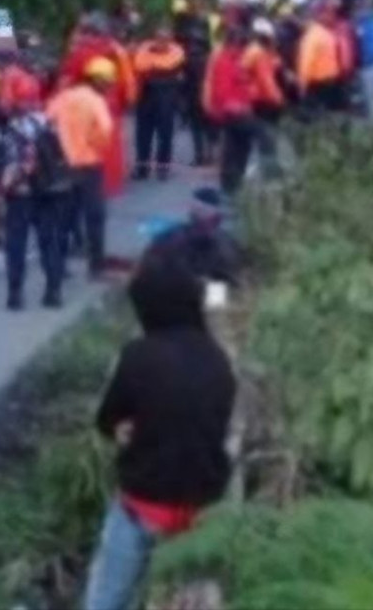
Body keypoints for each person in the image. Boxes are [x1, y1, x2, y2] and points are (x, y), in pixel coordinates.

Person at [82, 258, 235, 610]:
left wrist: (124, 428)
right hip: (203, 506)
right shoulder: (217, 359)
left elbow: (107, 419)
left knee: (107, 597)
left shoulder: (139, 355)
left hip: (145, 502)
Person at [0, 89, 68, 310]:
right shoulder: (46, 124)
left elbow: (15, 165)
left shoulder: (11, 132)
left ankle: (15, 295)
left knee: (16, 244)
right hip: (48, 191)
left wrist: (3, 188)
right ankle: (53, 292)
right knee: (49, 241)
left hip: (21, 195)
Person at [47, 59, 115, 278]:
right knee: (94, 217)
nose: (109, 87)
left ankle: (58, 267)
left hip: (63, 165)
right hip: (88, 165)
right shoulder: (96, 101)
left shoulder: (63, 97)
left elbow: (47, 122)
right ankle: (96, 267)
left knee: (63, 218)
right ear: (100, 80)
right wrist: (93, 146)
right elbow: (104, 131)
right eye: (108, 83)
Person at [57, 14, 137, 197]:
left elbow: (67, 79)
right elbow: (127, 79)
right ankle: (108, 184)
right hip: (111, 103)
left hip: (85, 106)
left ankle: (87, 186)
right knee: (109, 144)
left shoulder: (80, 52)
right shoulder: (116, 50)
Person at [132, 22, 186, 180]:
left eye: (165, 38)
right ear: (154, 38)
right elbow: (139, 66)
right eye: (159, 37)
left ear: (170, 39)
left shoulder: (177, 53)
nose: (161, 41)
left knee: (165, 134)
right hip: (146, 96)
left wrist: (153, 68)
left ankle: (163, 168)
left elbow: (172, 67)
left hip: (166, 97)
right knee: (143, 134)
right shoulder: (144, 50)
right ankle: (142, 167)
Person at [204, 28, 254, 194]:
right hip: (232, 112)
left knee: (240, 148)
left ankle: (234, 183)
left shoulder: (239, 59)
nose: (242, 49)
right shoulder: (224, 61)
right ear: (232, 44)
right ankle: (230, 185)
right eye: (240, 46)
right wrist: (235, 107)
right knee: (234, 149)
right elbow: (221, 91)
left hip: (242, 109)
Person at [174, 0, 215, 166]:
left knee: (200, 118)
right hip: (197, 78)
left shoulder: (186, 28)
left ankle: (203, 154)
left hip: (196, 78)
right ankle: (205, 153)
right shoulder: (198, 27)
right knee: (202, 118)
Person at [242, 18, 286, 175]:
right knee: (267, 136)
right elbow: (266, 80)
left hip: (254, 99)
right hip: (262, 100)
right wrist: (278, 99)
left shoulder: (254, 50)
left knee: (263, 136)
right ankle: (269, 169)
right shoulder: (259, 53)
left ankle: (267, 165)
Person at [298, 1, 344, 117]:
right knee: (328, 112)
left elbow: (306, 63)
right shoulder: (327, 33)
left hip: (316, 82)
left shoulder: (310, 37)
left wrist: (302, 85)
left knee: (317, 114)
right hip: (332, 78)